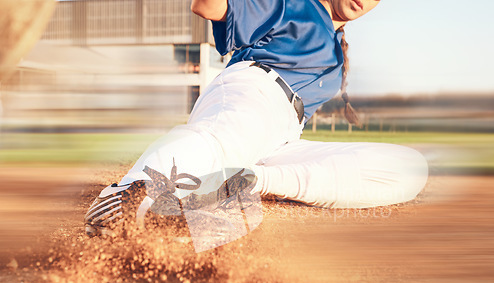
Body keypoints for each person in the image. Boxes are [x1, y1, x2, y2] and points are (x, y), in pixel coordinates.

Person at [84, 0, 428, 242]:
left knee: (411, 167)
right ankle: (128, 197)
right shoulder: (293, 4)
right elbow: (207, 6)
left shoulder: (338, 46)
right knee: (220, 140)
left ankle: (239, 185)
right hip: (255, 91)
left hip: (284, 137)